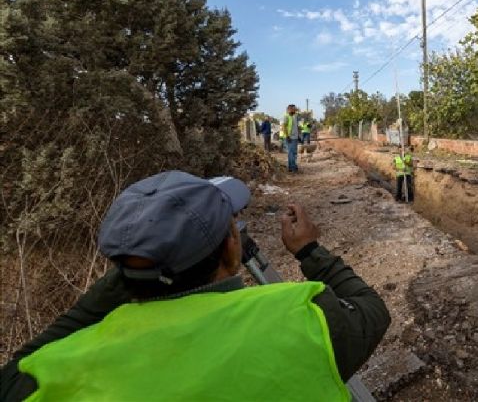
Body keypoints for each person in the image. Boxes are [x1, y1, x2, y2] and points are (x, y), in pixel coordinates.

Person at [0, 171, 390, 401]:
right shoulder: (305, 318)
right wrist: (308, 250)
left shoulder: (49, 375)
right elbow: (371, 308)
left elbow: (20, 364)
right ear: (231, 246)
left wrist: (139, 264)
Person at [280, 104, 300, 172]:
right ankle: (293, 167)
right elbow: (284, 127)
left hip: (295, 137)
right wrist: (287, 136)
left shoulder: (294, 116)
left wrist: (298, 136)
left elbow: (296, 127)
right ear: (290, 109)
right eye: (294, 109)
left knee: (292, 153)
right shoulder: (286, 116)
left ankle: (290, 167)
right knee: (292, 153)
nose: (295, 110)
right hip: (290, 138)